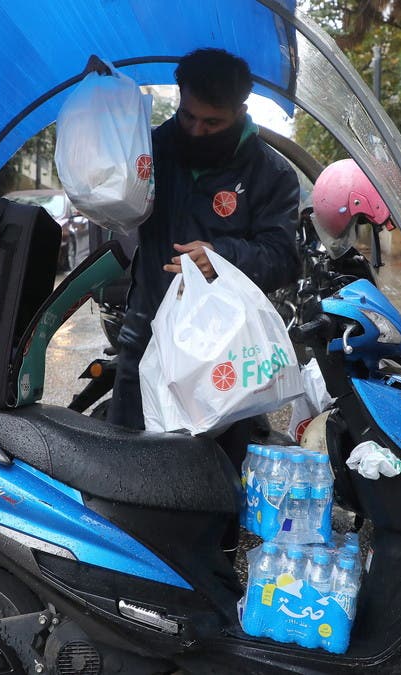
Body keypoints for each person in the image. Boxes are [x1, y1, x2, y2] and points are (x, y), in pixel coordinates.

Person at [108, 47, 301, 441]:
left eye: (213, 123)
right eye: (188, 116)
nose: (196, 130)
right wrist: (107, 99)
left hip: (224, 351)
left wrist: (223, 258)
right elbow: (103, 178)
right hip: (146, 336)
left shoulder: (271, 172)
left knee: (216, 477)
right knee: (123, 466)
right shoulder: (153, 149)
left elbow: (283, 257)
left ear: (241, 110)